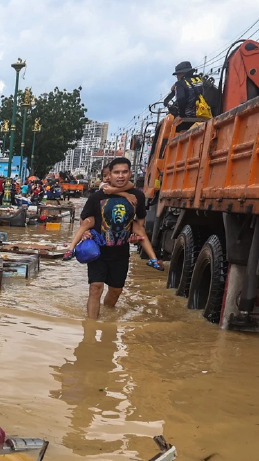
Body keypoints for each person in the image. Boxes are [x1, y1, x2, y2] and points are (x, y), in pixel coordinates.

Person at [76, 157, 148, 319]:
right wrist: (86, 232)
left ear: (130, 173)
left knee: (116, 291)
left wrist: (136, 235)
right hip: (97, 251)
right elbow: (84, 218)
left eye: (124, 172)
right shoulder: (97, 197)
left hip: (121, 252)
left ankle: (107, 315)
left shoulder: (137, 196)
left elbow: (141, 219)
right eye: (117, 172)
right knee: (95, 287)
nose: (120, 176)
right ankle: (91, 327)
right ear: (110, 174)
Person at [163, 61, 212, 127]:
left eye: (177, 74)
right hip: (204, 114)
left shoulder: (180, 84)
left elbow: (181, 99)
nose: (177, 76)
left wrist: (181, 116)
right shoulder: (200, 80)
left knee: (170, 126)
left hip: (188, 118)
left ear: (182, 73)